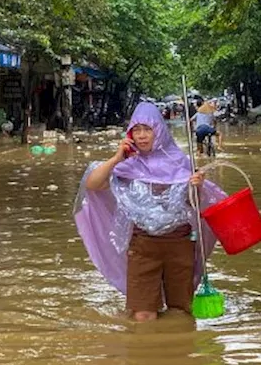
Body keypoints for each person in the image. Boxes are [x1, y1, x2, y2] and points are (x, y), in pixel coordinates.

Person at [76, 103, 224, 322]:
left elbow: (193, 206)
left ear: (159, 131)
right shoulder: (128, 166)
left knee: (179, 313)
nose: (142, 136)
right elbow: (93, 185)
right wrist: (117, 158)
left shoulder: (182, 163)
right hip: (143, 245)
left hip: (180, 243)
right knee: (143, 315)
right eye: (137, 130)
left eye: (148, 129)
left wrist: (196, 186)